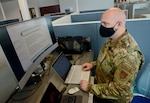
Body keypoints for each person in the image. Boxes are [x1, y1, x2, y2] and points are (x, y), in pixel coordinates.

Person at [79, 7, 144, 103]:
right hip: (102, 89)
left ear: (119, 24)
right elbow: (108, 59)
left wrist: (89, 87)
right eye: (102, 23)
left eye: (105, 24)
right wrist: (93, 64)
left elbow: (118, 90)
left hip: (113, 99)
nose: (102, 27)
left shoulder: (129, 55)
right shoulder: (113, 38)